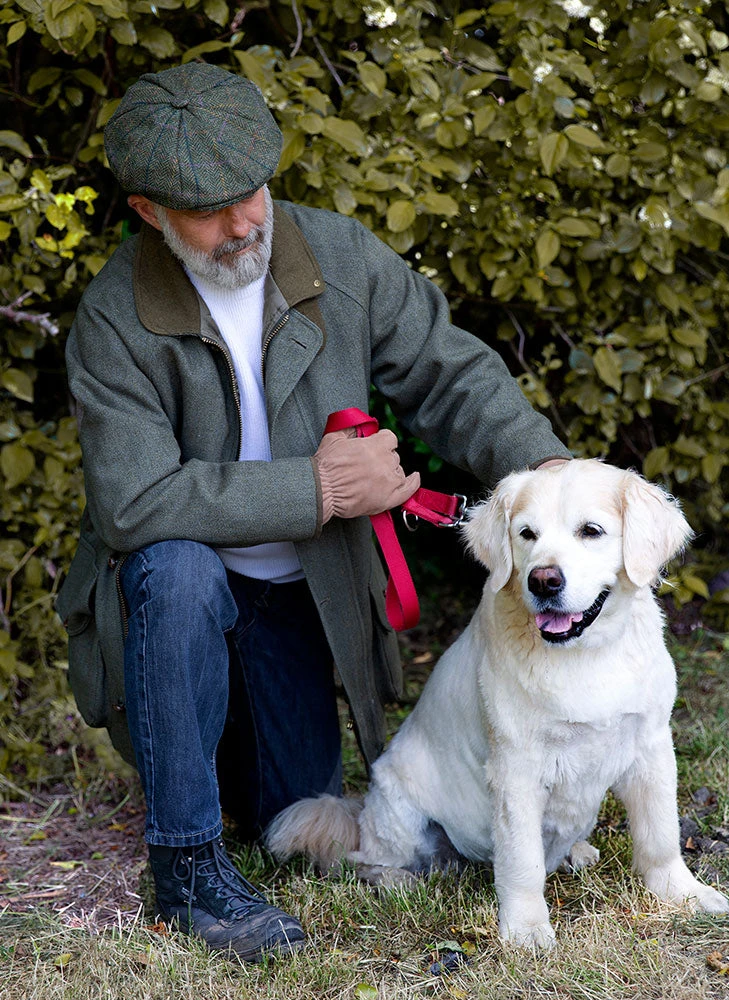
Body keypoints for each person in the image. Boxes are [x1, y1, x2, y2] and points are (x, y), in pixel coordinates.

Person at [56, 62, 571, 962]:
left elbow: (449, 373)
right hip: (189, 606)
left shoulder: (335, 252)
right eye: (209, 208)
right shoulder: (111, 319)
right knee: (171, 565)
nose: (245, 219)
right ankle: (184, 870)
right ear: (147, 211)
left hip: (306, 600)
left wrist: (550, 473)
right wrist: (321, 487)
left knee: (287, 819)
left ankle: (220, 797)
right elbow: (135, 502)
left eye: (251, 188)